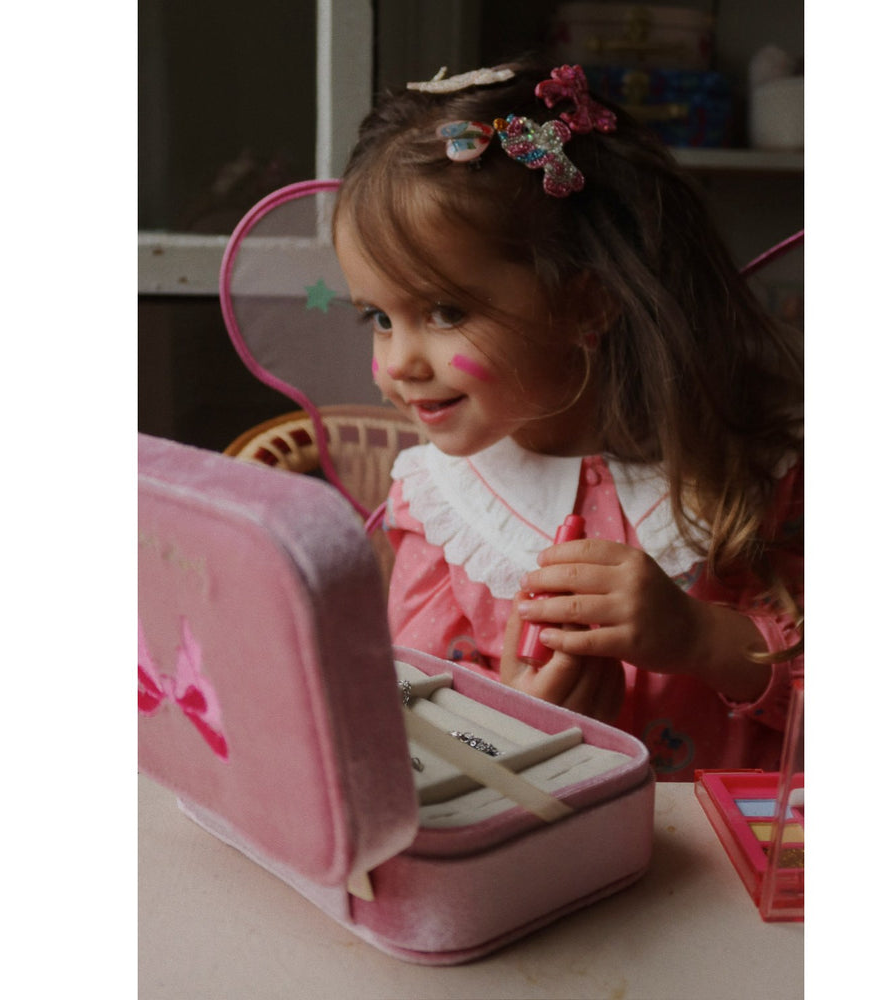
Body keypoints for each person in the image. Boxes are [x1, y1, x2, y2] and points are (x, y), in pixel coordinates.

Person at [332, 62, 803, 779]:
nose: (399, 363)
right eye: (378, 317)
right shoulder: (441, 504)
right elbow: (412, 731)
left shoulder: (756, 474)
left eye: (446, 311)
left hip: (728, 847)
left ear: (587, 303)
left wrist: (700, 638)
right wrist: (513, 722)